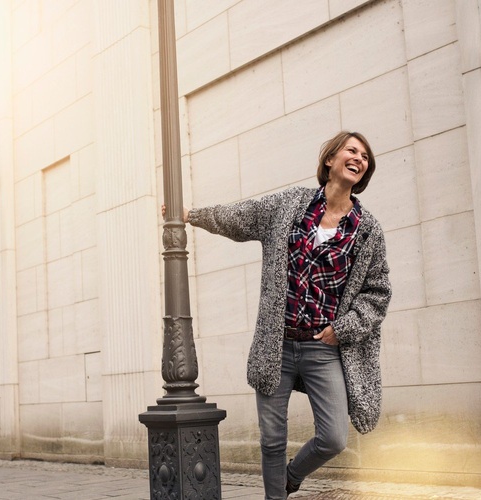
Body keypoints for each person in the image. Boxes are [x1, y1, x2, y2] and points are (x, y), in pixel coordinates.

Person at [168, 131, 392, 499]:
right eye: (352, 151)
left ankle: (290, 477)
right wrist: (191, 215)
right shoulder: (292, 205)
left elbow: (377, 292)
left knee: (334, 437)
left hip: (323, 347)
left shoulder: (366, 230)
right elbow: (241, 216)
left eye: (365, 156)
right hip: (278, 345)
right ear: (330, 160)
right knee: (272, 440)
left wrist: (343, 328)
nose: (359, 158)